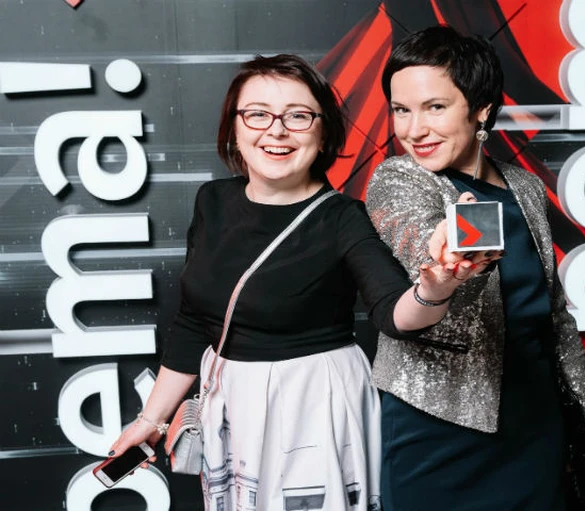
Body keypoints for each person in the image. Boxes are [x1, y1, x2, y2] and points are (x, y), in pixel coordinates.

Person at [109, 54, 486, 511]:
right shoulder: (212, 201)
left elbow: (394, 314)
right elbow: (194, 321)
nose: (277, 130)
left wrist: (437, 285)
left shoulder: (343, 218)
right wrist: (151, 420)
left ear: (322, 132)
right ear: (234, 128)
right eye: (258, 114)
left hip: (312, 407)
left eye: (298, 116)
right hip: (231, 405)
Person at [365, 26, 585, 510]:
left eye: (434, 107)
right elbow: (415, 233)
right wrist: (444, 256)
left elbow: (553, 311)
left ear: (480, 108)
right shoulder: (397, 178)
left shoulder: (525, 187)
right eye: (401, 110)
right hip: (436, 426)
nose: (414, 129)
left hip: (533, 418)